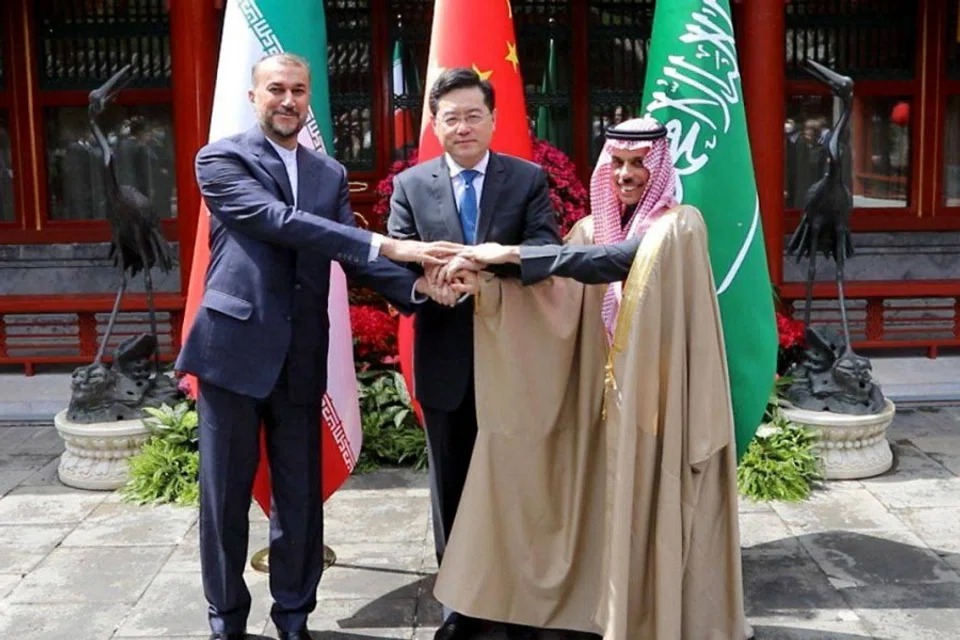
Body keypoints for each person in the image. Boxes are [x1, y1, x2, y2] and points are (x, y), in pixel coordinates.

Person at [175, 53, 458, 640]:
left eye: (298, 91)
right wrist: (389, 242)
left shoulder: (327, 174)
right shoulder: (221, 158)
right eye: (275, 89)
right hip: (233, 350)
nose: (287, 100)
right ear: (254, 97)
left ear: (309, 99)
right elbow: (276, 221)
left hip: (302, 355)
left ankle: (294, 616)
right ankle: (225, 620)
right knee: (224, 501)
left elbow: (349, 254)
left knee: (299, 501)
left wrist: (422, 289)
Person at [432, 118, 749, 639]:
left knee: (651, 504)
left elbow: (619, 261)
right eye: (618, 163)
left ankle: (656, 615)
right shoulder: (587, 229)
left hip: (658, 402)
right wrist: (488, 284)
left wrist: (510, 254)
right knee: (595, 501)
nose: (626, 174)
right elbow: (554, 297)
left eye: (639, 164)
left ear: (660, 166)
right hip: (597, 401)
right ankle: (600, 608)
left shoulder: (680, 225)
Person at [386, 67, 561, 640]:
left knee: (516, 479)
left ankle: (516, 596)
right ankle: (461, 601)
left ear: (493, 119)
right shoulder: (412, 186)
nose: (462, 127)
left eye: (473, 115)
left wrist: (484, 267)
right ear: (434, 125)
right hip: (445, 357)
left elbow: (546, 252)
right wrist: (422, 285)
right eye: (450, 117)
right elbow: (392, 263)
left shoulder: (526, 179)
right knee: (453, 485)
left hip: (513, 356)